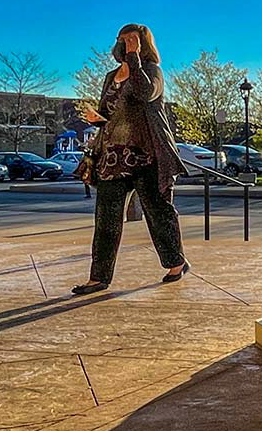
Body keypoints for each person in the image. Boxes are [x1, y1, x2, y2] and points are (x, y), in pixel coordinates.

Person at [71, 24, 188, 295]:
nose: (126, 44)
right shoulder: (110, 76)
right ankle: (98, 277)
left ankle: (176, 262)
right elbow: (108, 111)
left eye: (132, 40)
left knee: (158, 213)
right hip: (112, 158)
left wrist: (135, 59)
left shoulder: (152, 72)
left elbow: (146, 93)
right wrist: (98, 119)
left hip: (145, 156)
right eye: (122, 40)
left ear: (143, 43)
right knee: (106, 219)